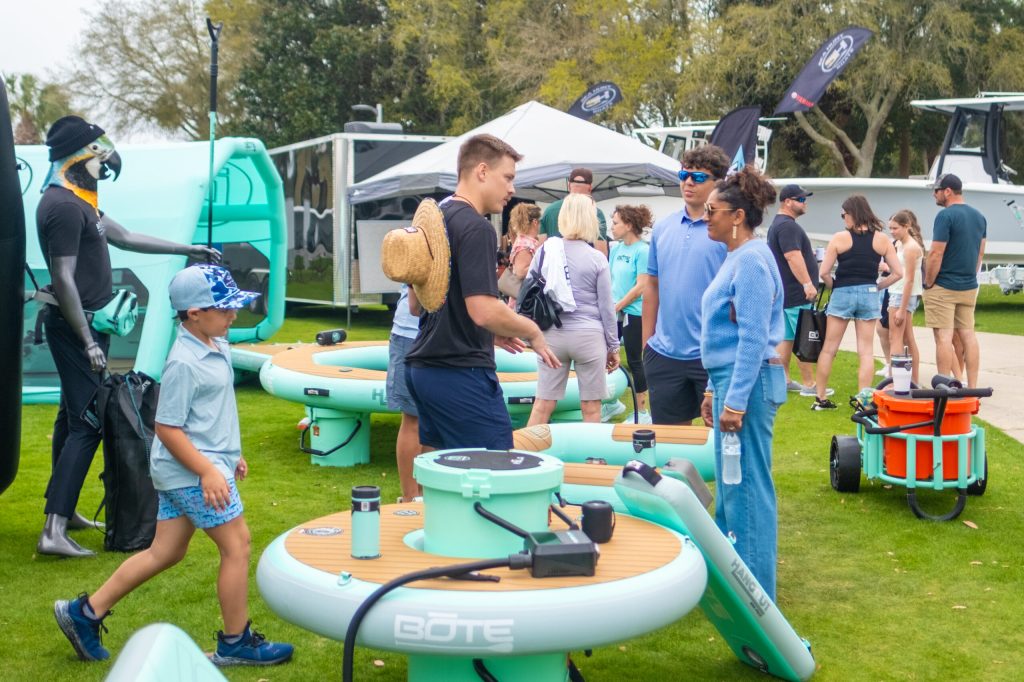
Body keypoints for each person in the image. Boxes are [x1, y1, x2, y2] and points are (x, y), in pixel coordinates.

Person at [54, 264, 294, 666]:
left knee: (165, 552)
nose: (233, 315)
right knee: (237, 545)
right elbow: (166, 427)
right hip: (189, 473)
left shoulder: (217, 342)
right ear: (193, 313)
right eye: (224, 309)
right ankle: (236, 642)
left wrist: (228, 456)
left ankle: (85, 613)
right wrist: (206, 470)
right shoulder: (184, 361)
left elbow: (210, 413)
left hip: (194, 467)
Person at [36, 116, 221, 558]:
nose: (107, 163)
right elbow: (62, 278)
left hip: (93, 325)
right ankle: (53, 530)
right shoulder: (60, 206)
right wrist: (88, 341)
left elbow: (125, 237)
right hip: (76, 327)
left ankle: (63, 513)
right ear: (78, 158)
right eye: (99, 154)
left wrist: (185, 249)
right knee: (88, 422)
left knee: (71, 418)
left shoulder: (81, 203)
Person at [394, 134, 560, 451]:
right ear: (482, 171)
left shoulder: (436, 221)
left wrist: (484, 332)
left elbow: (418, 304)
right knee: (495, 469)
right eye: (508, 178)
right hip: (459, 372)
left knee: (445, 479)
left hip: (423, 370)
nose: (512, 189)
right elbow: (482, 309)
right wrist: (532, 330)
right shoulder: (477, 227)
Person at [698, 166, 785, 600]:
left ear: (737, 216)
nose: (705, 216)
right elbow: (728, 336)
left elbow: (753, 336)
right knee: (732, 489)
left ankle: (757, 603)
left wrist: (733, 401)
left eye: (712, 210)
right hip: (732, 382)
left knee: (748, 491)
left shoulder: (751, 259)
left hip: (747, 386)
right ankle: (734, 587)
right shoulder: (737, 256)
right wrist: (715, 390)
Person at [642, 144, 731, 425]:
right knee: (670, 445)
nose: (688, 182)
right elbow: (652, 286)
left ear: (718, 183)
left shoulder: (727, 231)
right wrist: (647, 345)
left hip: (712, 355)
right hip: (664, 354)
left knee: (719, 442)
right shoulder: (663, 228)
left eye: (699, 177)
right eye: (684, 175)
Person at [527, 194, 620, 425]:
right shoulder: (597, 258)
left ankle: (526, 456)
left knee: (543, 404)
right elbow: (606, 308)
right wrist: (613, 346)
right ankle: (593, 460)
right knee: (591, 409)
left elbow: (528, 290)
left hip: (552, 334)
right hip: (589, 335)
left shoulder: (545, 252)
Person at [813, 195, 902, 410]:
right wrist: (878, 286)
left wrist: (834, 285)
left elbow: (823, 272)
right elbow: (898, 273)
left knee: (829, 349)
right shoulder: (882, 240)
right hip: (869, 292)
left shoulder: (839, 238)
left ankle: (821, 398)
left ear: (852, 214)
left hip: (843, 290)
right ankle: (863, 401)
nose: (843, 218)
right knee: (866, 351)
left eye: (844, 214)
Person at [765, 184, 832, 398]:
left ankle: (783, 379)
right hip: (795, 292)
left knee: (786, 338)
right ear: (787, 202)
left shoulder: (779, 224)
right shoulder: (787, 226)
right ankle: (809, 383)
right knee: (805, 337)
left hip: (785, 293)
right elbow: (792, 256)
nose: (805, 203)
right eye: (801, 199)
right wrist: (807, 283)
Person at [922, 174, 987, 387]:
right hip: (968, 286)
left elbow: (936, 253)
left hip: (944, 286)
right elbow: (979, 254)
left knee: (943, 337)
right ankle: (973, 387)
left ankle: (944, 387)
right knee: (969, 336)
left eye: (937, 190)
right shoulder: (980, 217)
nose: (934, 194)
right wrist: (970, 276)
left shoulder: (945, 216)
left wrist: (929, 282)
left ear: (948, 191)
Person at [609, 204, 652, 423]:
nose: (612, 227)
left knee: (635, 360)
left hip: (634, 313)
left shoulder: (643, 250)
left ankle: (642, 412)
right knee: (605, 354)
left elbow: (641, 286)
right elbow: (611, 280)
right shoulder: (615, 249)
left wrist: (618, 306)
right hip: (614, 311)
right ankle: (611, 403)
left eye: (615, 223)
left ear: (628, 225)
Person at [387, 284, 424, 502]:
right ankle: (410, 499)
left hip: (441, 334)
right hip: (410, 333)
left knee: (433, 419)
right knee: (413, 419)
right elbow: (415, 307)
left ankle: (426, 494)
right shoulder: (416, 249)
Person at [887, 210, 925, 385]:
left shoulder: (911, 247)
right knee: (907, 338)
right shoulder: (899, 244)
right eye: (890, 228)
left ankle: (896, 382)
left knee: (895, 338)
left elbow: (909, 279)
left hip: (903, 294)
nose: (892, 231)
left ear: (906, 226)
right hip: (897, 291)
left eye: (895, 228)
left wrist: (902, 309)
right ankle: (913, 382)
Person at [539, 167, 609, 257]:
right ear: (590, 187)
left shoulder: (549, 210)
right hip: (585, 268)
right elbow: (602, 253)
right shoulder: (595, 212)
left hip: (555, 267)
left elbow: (541, 249)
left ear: (569, 185)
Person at [504, 202, 542, 309]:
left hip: (525, 297)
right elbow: (521, 272)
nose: (540, 224)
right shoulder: (525, 244)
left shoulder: (524, 241)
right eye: (540, 221)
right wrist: (543, 265)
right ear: (535, 222)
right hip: (524, 300)